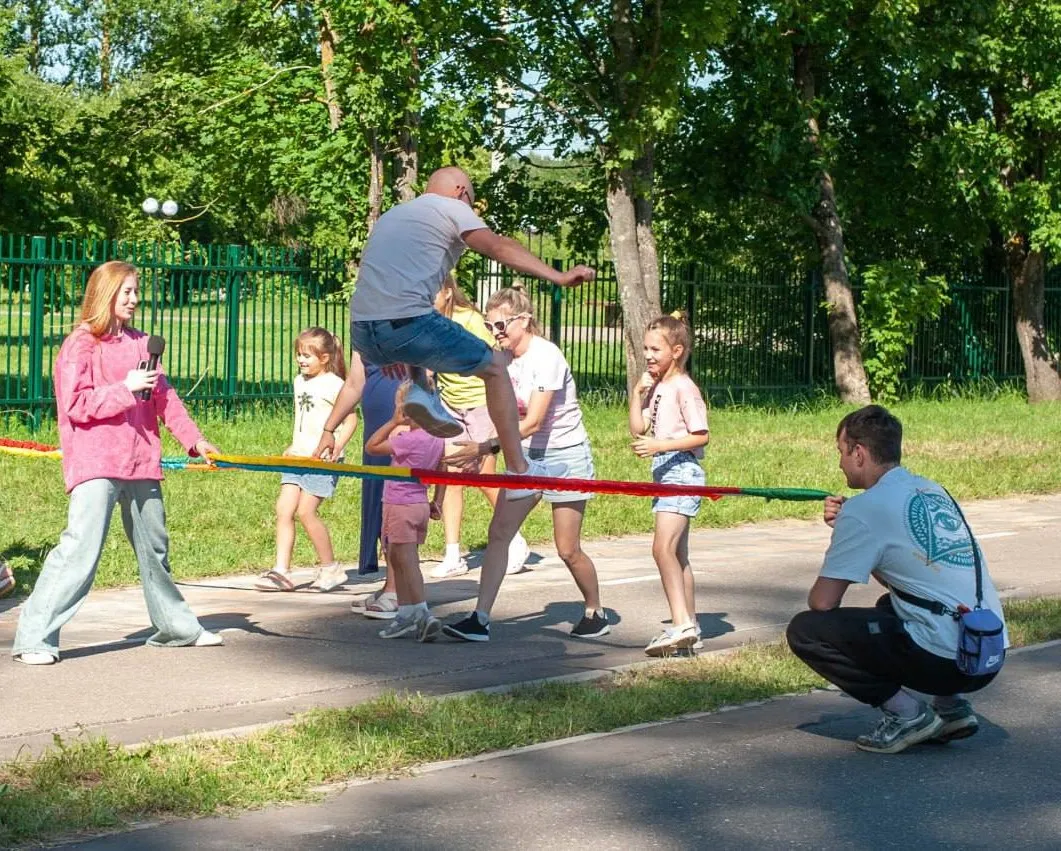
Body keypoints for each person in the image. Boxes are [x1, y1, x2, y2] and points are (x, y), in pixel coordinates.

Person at [315, 166, 595, 502]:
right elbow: (499, 247)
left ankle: (420, 391)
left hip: (365, 332)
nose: (472, 208)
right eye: (472, 199)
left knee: (419, 330)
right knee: (493, 365)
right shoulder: (452, 207)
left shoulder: (395, 215)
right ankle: (520, 468)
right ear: (462, 190)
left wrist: (387, 351)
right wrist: (558, 276)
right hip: (406, 324)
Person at [12, 261, 223, 665]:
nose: (134, 299)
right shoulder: (80, 345)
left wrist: (194, 440)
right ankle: (36, 638)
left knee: (155, 549)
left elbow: (165, 399)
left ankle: (176, 629)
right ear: (105, 294)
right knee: (80, 550)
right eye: (126, 291)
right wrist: (125, 389)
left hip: (142, 460)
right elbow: (76, 405)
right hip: (96, 460)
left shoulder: (144, 344)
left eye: (136, 291)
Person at [786, 405, 1009, 754]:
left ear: (858, 453)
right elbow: (903, 575)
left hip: (947, 661)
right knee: (891, 604)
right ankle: (952, 708)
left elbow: (823, 602)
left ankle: (907, 716)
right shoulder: (933, 490)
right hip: (985, 652)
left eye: (841, 453)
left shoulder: (864, 509)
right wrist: (850, 531)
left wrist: (847, 529)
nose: (840, 464)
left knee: (806, 630)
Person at [442, 287, 608, 642]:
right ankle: (480, 619)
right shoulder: (502, 359)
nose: (496, 332)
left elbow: (532, 420)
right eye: (489, 326)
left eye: (500, 324)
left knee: (567, 548)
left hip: (565, 457)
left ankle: (595, 609)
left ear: (524, 320)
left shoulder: (546, 356)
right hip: (526, 457)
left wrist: (486, 445)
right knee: (498, 533)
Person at [430, 276, 530, 579]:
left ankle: (514, 539)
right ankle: (452, 554)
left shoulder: (470, 321)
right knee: (452, 474)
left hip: (481, 403)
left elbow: (494, 361)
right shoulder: (430, 322)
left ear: (448, 292)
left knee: (485, 476)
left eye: (431, 291)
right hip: (451, 405)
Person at [628, 312, 710, 657]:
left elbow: (700, 436)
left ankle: (681, 624)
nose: (648, 355)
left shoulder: (684, 388)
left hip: (682, 473)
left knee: (661, 550)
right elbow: (638, 428)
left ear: (676, 351)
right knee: (678, 555)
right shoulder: (659, 386)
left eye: (656, 350)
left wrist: (660, 446)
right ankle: (689, 624)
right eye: (645, 349)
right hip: (664, 473)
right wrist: (637, 393)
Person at [255, 328, 356, 592]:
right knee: (283, 510)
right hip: (297, 457)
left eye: (307, 356)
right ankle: (281, 570)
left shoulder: (336, 385)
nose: (301, 360)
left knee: (306, 512)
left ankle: (330, 567)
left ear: (324, 358)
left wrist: (337, 448)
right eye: (299, 355)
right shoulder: (299, 381)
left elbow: (351, 421)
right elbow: (304, 419)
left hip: (320, 461)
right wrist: (294, 443)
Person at [363, 382, 446, 641]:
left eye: (400, 406)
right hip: (420, 504)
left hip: (399, 505)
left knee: (407, 562)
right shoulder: (436, 439)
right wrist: (437, 501)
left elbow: (372, 447)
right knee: (398, 558)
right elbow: (441, 472)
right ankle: (406, 613)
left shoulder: (407, 440)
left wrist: (391, 423)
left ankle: (422, 612)